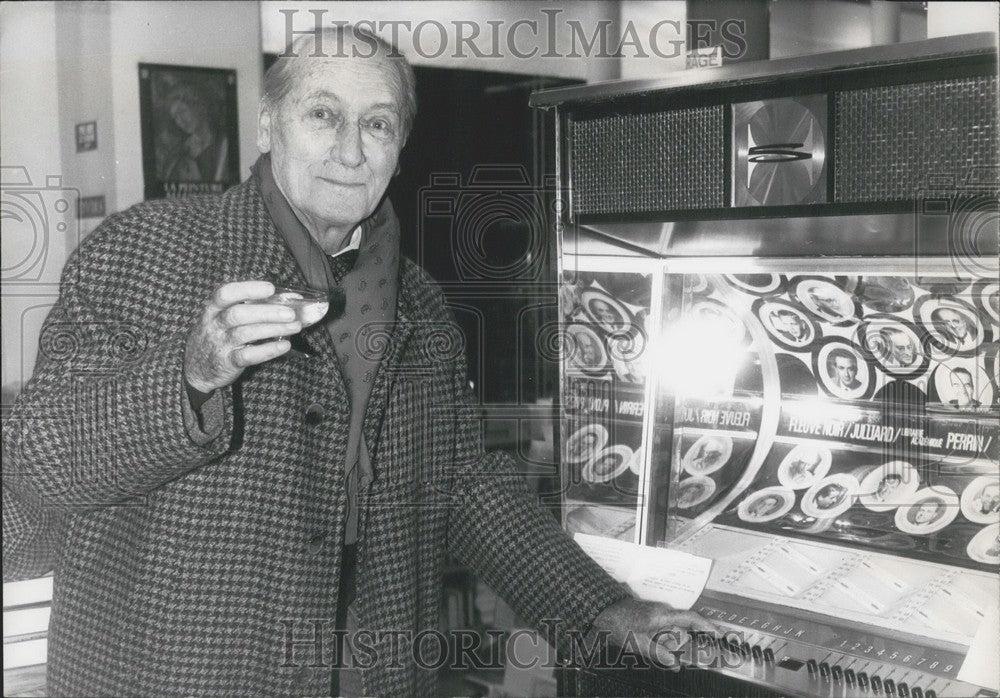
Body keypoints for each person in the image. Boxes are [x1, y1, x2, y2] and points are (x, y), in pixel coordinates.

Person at [1, 27, 715, 697]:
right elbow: (41, 463)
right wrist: (190, 374)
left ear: (399, 149)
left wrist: (605, 611)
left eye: (377, 124)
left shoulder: (420, 303)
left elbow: (464, 487)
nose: (350, 151)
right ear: (266, 126)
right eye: (322, 115)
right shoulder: (141, 253)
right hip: (175, 673)